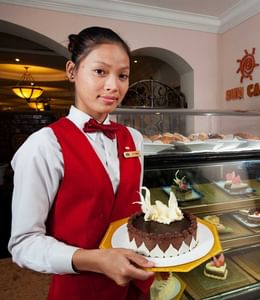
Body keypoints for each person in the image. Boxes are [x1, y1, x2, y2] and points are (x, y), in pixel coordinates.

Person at [8, 26, 155, 300]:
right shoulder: (44, 145)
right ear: (72, 71)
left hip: (137, 286)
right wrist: (96, 260)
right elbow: (23, 244)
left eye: (122, 75)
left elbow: (130, 208)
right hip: (80, 290)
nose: (113, 85)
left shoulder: (134, 139)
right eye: (100, 71)